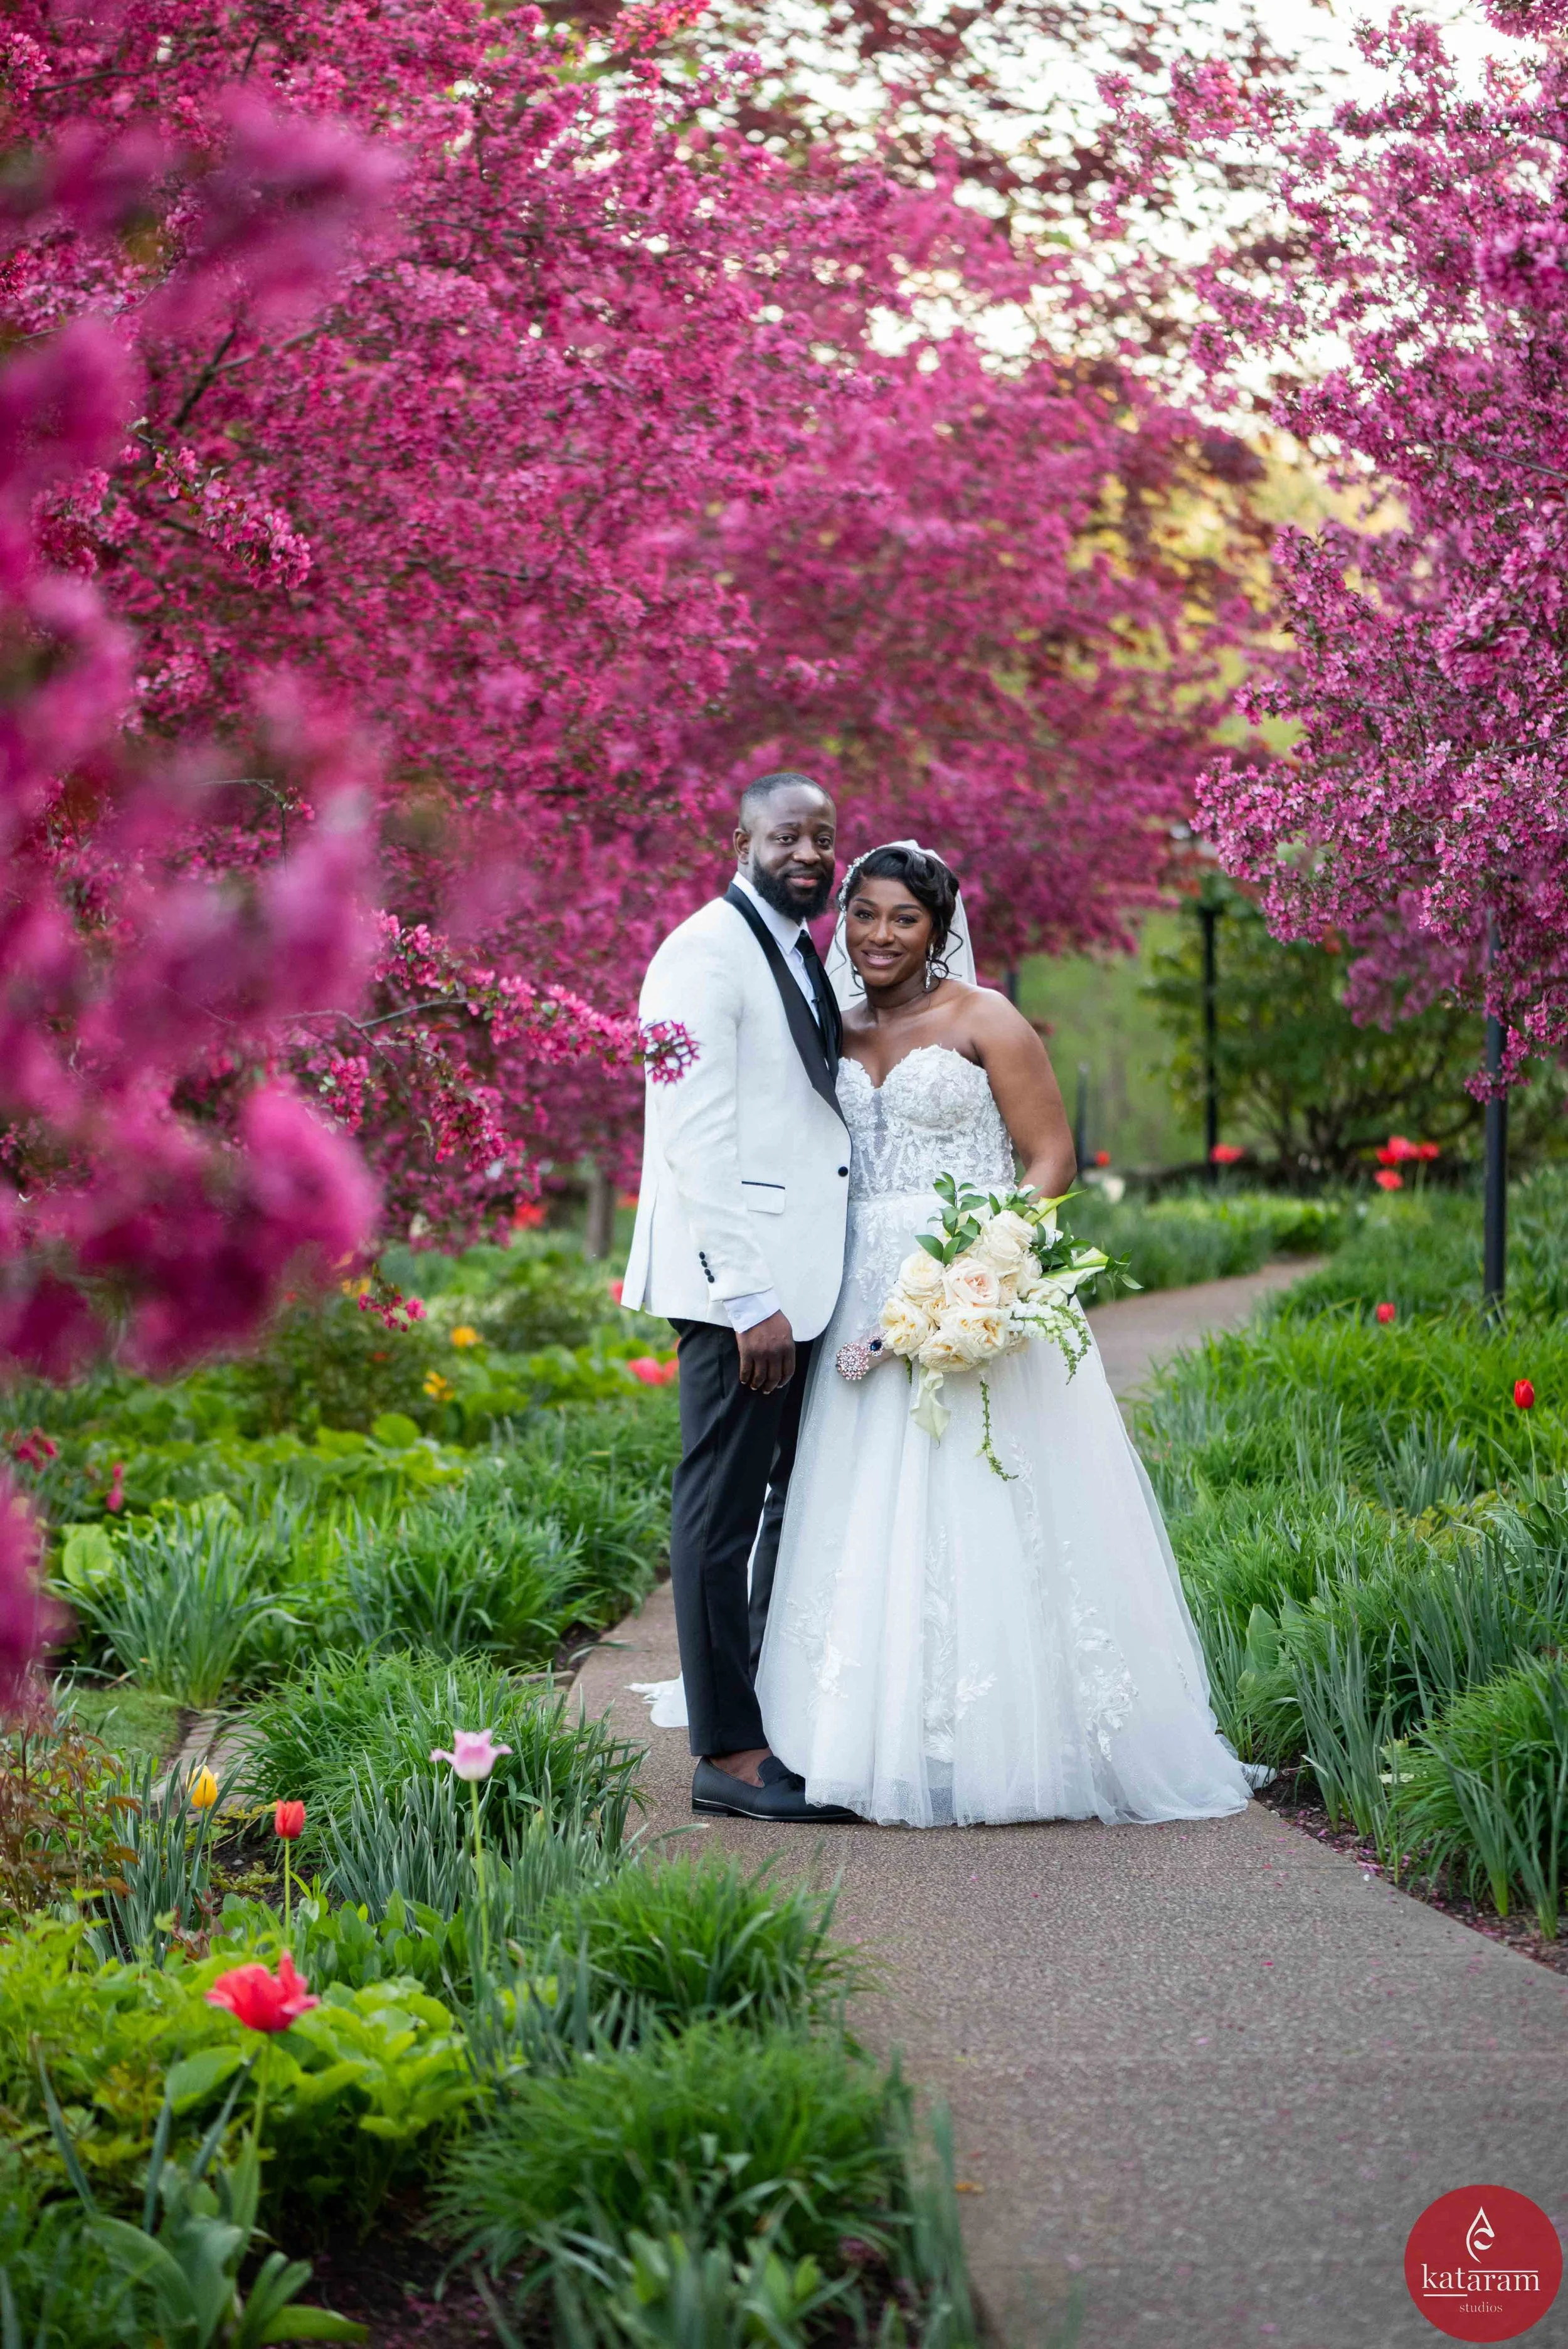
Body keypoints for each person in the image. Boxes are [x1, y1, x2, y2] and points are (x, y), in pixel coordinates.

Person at [753, 840, 1254, 1828]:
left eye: (904, 918)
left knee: (984, 1495)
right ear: (840, 921)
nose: (881, 935)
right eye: (864, 915)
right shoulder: (833, 1028)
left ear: (939, 929)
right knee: (862, 1501)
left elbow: (1050, 1158)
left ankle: (1004, 1739)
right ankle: (857, 1731)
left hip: (975, 1278)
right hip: (858, 1292)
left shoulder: (987, 1020)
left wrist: (977, 1269)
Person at [622, 772, 860, 1822]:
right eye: (787, 836)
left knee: (777, 1506)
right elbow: (695, 1141)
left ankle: (769, 1718)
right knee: (719, 1517)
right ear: (740, 839)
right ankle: (729, 1752)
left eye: (823, 838)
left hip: (795, 1287)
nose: (809, 854)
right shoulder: (701, 954)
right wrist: (747, 1295)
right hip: (743, 1293)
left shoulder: (797, 949)